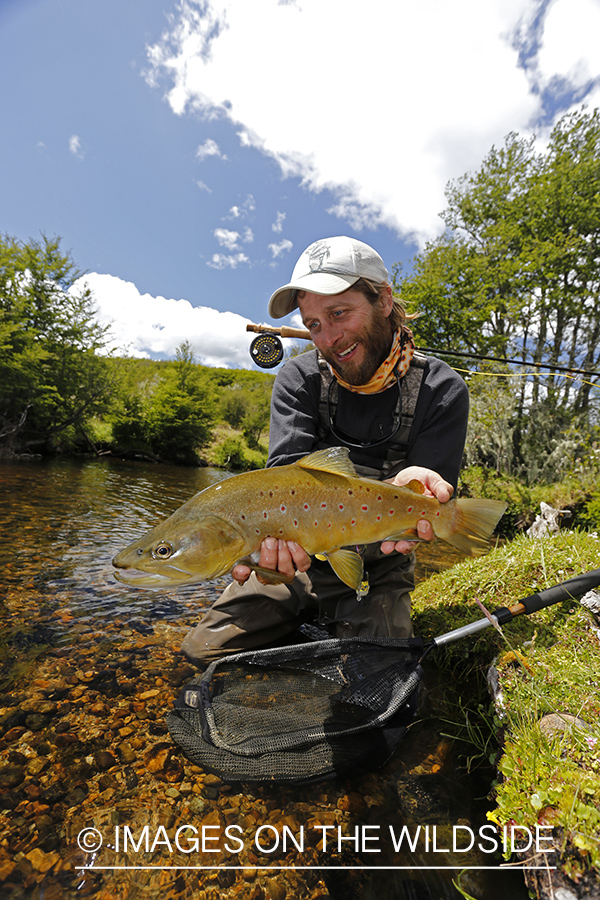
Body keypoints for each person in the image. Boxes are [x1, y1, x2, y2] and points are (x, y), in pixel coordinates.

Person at [181, 236, 469, 666]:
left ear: (384, 300)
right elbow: (277, 485)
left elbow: (430, 493)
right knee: (204, 654)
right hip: (295, 562)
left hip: (380, 565)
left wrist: (422, 494)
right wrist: (266, 559)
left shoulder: (440, 390)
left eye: (338, 313)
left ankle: (331, 627)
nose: (328, 337)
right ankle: (310, 625)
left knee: (381, 673)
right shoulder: (298, 379)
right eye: (314, 324)